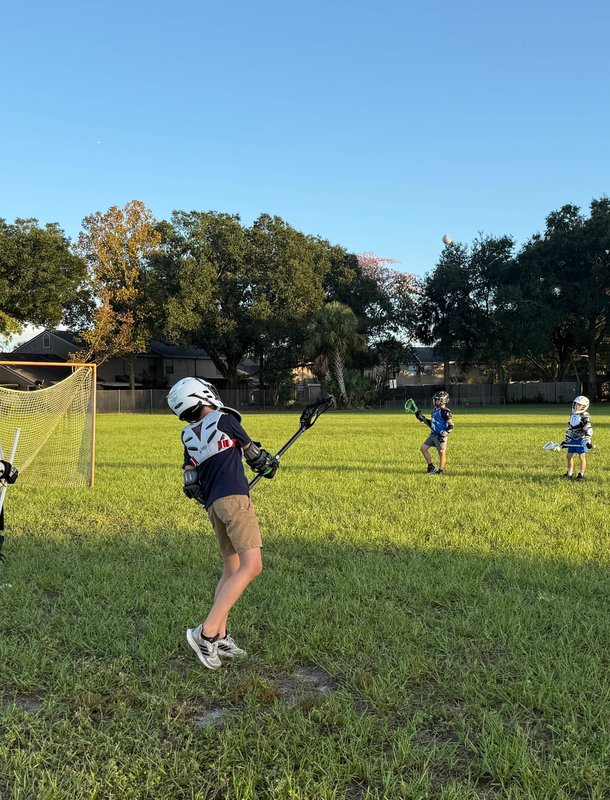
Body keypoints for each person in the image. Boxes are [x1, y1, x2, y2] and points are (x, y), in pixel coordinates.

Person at [167, 377, 279, 670]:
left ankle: (221, 636)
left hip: (214, 507)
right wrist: (268, 464)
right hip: (236, 501)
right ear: (204, 396)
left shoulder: (187, 437)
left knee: (231, 569)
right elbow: (253, 454)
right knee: (253, 566)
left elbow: (190, 479)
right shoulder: (225, 420)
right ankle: (205, 633)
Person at [415, 391, 454, 475]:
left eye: (437, 400)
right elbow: (432, 424)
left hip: (441, 435)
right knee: (423, 448)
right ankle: (431, 467)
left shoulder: (445, 412)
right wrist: (423, 419)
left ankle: (440, 470)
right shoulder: (434, 410)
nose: (435, 401)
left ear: (442, 401)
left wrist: (444, 434)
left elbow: (451, 426)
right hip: (433, 434)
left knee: (441, 452)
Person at [561, 395, 593, 481]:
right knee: (569, 456)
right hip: (573, 440)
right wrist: (566, 440)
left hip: (581, 440)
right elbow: (570, 429)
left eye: (579, 405)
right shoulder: (572, 415)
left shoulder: (584, 416)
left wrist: (588, 440)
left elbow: (588, 428)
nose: (576, 406)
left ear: (584, 406)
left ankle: (581, 474)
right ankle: (569, 473)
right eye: (575, 404)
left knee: (582, 457)